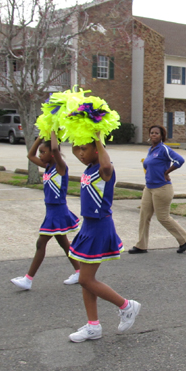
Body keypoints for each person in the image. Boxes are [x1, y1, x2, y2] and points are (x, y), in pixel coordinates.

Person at [67, 138, 141, 342]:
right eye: (80, 149)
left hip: (99, 226)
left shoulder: (104, 169)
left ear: (97, 150)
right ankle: (93, 326)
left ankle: (126, 306)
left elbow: (106, 164)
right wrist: (72, 128)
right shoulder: (90, 167)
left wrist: (98, 137)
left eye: (85, 149)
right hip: (88, 225)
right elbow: (73, 149)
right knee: (86, 281)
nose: (80, 153)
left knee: (85, 279)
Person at [10, 134, 81, 290]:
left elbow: (55, 148)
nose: (40, 155)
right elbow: (30, 155)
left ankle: (28, 279)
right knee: (64, 244)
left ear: (52, 153)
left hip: (58, 210)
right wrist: (40, 137)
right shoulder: (48, 167)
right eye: (40, 152)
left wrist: (53, 132)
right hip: (51, 210)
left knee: (41, 243)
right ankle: (79, 271)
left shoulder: (60, 167)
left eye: (43, 152)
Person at [127, 125, 186, 254]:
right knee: (144, 215)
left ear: (161, 136)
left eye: (156, 133)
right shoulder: (151, 150)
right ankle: (141, 245)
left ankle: (185, 239)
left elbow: (180, 160)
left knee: (163, 217)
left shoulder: (164, 149)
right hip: (149, 188)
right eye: (151, 133)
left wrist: (166, 172)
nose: (153, 135)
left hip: (162, 188)